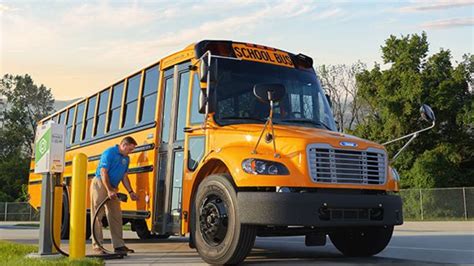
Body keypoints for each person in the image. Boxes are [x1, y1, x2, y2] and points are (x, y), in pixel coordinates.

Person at [91, 136, 139, 255]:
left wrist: (131, 192)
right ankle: (97, 245)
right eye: (130, 149)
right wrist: (108, 190)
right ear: (123, 145)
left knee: (116, 216)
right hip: (100, 184)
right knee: (98, 215)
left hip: (113, 187)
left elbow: (124, 176)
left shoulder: (126, 159)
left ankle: (119, 245)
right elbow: (103, 172)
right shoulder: (109, 153)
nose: (130, 152)